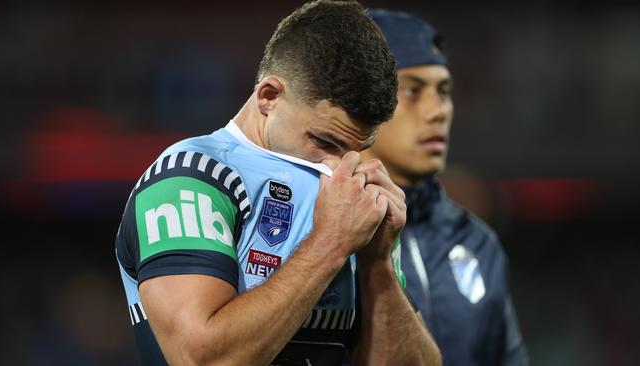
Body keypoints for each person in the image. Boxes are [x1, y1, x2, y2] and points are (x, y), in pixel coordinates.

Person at [115, 2, 440, 365]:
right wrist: (330, 244)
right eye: (325, 143)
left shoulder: (356, 204)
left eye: (358, 150)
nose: (340, 168)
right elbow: (202, 359)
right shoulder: (188, 180)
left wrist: (377, 262)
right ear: (268, 97)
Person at [363, 9, 529, 366]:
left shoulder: (475, 240)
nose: (438, 110)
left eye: (444, 91)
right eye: (412, 90)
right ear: (361, 98)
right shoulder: (316, 227)